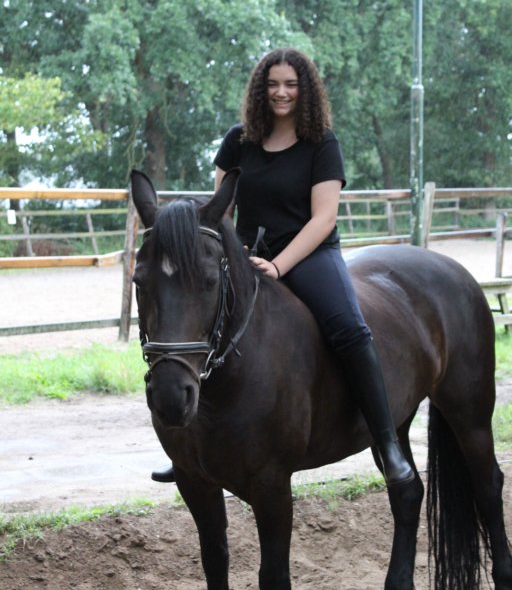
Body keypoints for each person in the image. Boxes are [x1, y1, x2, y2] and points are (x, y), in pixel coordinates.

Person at [152, 47, 414, 487]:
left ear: (305, 89)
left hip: (310, 254)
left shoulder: (322, 143)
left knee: (350, 328)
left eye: (291, 84)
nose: (281, 92)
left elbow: (323, 219)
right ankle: (186, 450)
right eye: (273, 84)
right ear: (261, 88)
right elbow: (221, 209)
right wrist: (229, 253)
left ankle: (387, 444)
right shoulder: (238, 141)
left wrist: (277, 265)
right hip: (244, 254)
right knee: (195, 326)